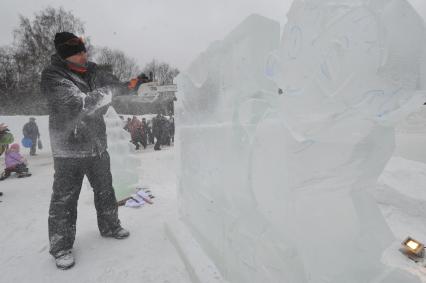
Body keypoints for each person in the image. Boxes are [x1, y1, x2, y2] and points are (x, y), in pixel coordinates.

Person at [41, 32, 134, 270]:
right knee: (64, 199)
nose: (85, 55)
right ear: (66, 54)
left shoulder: (92, 71)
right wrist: (115, 89)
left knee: (105, 189)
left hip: (97, 145)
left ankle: (110, 225)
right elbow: (82, 103)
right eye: (79, 52)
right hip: (68, 149)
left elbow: (112, 86)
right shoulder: (53, 76)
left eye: (84, 50)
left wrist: (133, 85)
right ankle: (61, 246)